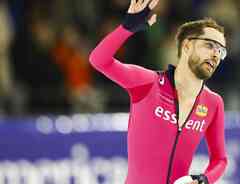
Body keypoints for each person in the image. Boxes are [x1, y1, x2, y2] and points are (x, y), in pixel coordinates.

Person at [89, 0, 228, 183]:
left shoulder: (213, 103)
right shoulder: (148, 83)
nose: (216, 54)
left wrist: (204, 179)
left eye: (221, 50)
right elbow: (99, 60)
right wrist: (126, 29)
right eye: (210, 45)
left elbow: (220, 160)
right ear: (187, 46)